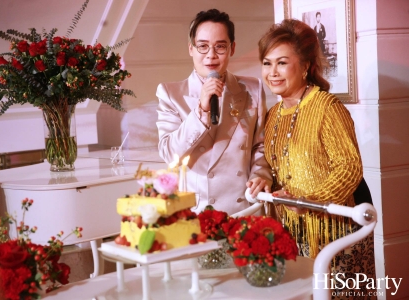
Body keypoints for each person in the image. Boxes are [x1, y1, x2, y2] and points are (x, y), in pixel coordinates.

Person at [258, 19, 375, 298]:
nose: (273, 72)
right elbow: (276, 168)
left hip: (338, 234)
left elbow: (349, 168)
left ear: (306, 65)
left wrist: (310, 202)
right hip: (294, 234)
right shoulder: (273, 115)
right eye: (266, 63)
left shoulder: (327, 107)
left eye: (282, 63)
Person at [156, 9, 272, 216]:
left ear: (232, 48)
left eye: (220, 46)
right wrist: (201, 110)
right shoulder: (171, 93)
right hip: (198, 211)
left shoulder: (253, 88)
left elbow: (260, 144)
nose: (211, 55)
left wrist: (260, 174)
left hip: (244, 207)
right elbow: (168, 152)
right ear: (191, 49)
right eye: (203, 46)